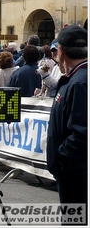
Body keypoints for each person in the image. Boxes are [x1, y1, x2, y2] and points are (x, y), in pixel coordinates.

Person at [46, 25, 87, 213]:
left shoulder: (80, 82)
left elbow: (82, 133)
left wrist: (60, 159)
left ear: (61, 51)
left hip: (76, 172)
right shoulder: (75, 78)